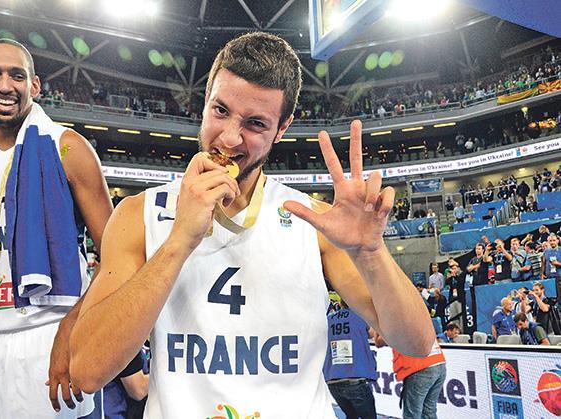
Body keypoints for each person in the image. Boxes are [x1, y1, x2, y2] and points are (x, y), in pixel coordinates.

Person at [69, 32, 434, 417]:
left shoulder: (314, 222)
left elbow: (417, 343)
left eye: (255, 123)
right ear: (205, 99)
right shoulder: (138, 214)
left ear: (282, 127)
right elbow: (87, 371)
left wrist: (370, 253)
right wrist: (178, 242)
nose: (229, 139)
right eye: (220, 110)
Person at [0, 39, 113, 417]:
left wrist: (75, 327)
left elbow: (120, 257)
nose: (5, 85)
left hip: (49, 336)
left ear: (34, 86)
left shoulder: (68, 148)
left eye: (17, 76)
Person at [323, 301, 378, 419]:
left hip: (333, 379)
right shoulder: (360, 317)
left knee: (350, 416)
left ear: (341, 304)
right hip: (355, 376)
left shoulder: (329, 319)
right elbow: (372, 334)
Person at [375, 335, 446, 419]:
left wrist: (377, 327)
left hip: (419, 366)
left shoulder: (394, 325)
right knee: (428, 411)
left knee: (412, 415)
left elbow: (379, 342)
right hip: (438, 361)